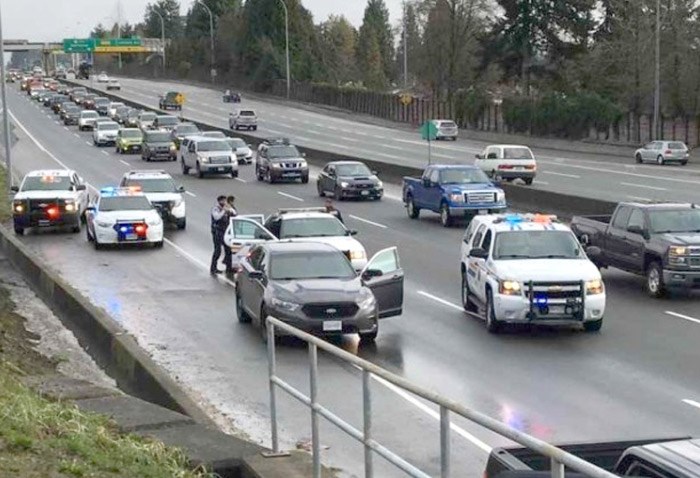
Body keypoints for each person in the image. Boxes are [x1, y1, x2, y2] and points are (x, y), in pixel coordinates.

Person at [210, 195, 235, 275]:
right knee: (217, 251)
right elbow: (217, 217)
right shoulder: (216, 209)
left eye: (225, 201)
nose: (225, 202)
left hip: (225, 232)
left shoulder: (226, 208)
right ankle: (213, 268)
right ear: (219, 201)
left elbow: (235, 214)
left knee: (228, 250)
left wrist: (231, 209)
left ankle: (229, 268)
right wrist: (224, 211)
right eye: (223, 201)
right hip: (217, 232)